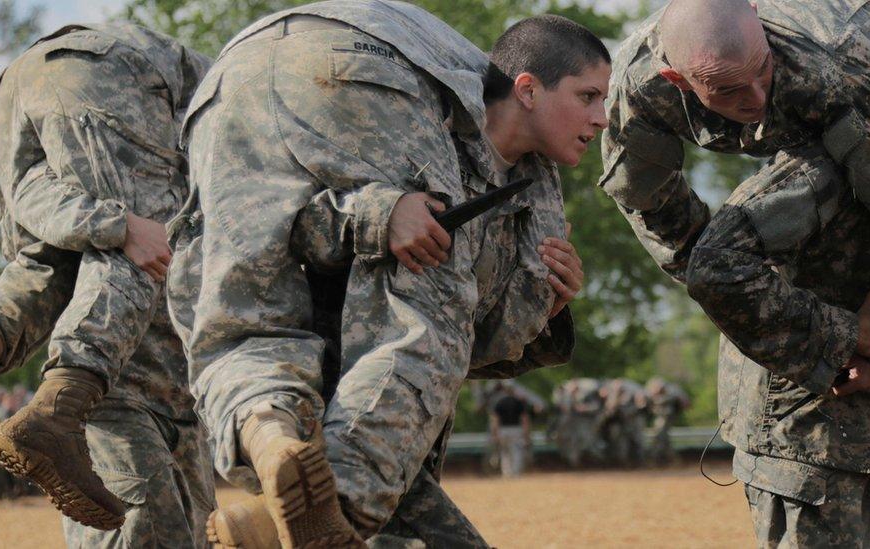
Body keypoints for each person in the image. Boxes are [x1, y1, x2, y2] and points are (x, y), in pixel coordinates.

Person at [168, 3, 605, 545]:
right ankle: (334, 510)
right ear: (528, 89)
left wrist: (544, 305)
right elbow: (441, 331)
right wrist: (385, 213)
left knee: (245, 317)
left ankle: (268, 428)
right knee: (426, 306)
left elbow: (294, 235)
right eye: (589, 96)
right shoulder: (441, 119)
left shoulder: (519, 185)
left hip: (228, 80)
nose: (602, 117)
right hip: (360, 53)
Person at [603, 0, 870, 543]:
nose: (755, 98)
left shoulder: (843, 64)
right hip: (803, 422)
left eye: (762, 73)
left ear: (761, 22)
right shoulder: (641, 86)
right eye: (729, 89)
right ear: (676, 78)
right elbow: (653, 207)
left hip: (868, 84)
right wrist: (788, 324)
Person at [0, 24, 216, 545]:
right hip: (109, 69)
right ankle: (60, 405)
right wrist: (125, 227)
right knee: (143, 233)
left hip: (21, 80)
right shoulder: (246, 109)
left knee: (54, 254)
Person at [600, 378, 647, 467]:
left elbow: (641, 404)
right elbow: (610, 408)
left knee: (637, 440)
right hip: (623, 421)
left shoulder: (632, 390)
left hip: (634, 419)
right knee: (622, 441)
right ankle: (623, 462)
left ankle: (640, 462)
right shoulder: (613, 394)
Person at [489, 382, 532, 477]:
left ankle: (507, 473)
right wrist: (526, 433)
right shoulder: (519, 402)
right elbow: (524, 419)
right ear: (513, 391)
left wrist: (494, 433)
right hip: (516, 429)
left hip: (503, 430)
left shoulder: (500, 402)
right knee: (516, 451)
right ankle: (515, 473)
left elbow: (495, 419)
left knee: (505, 452)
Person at [642, 377, 687, 465]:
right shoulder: (653, 393)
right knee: (663, 438)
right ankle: (672, 459)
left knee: (659, 437)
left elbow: (681, 402)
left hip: (666, 417)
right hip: (660, 417)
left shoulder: (670, 393)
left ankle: (657, 459)